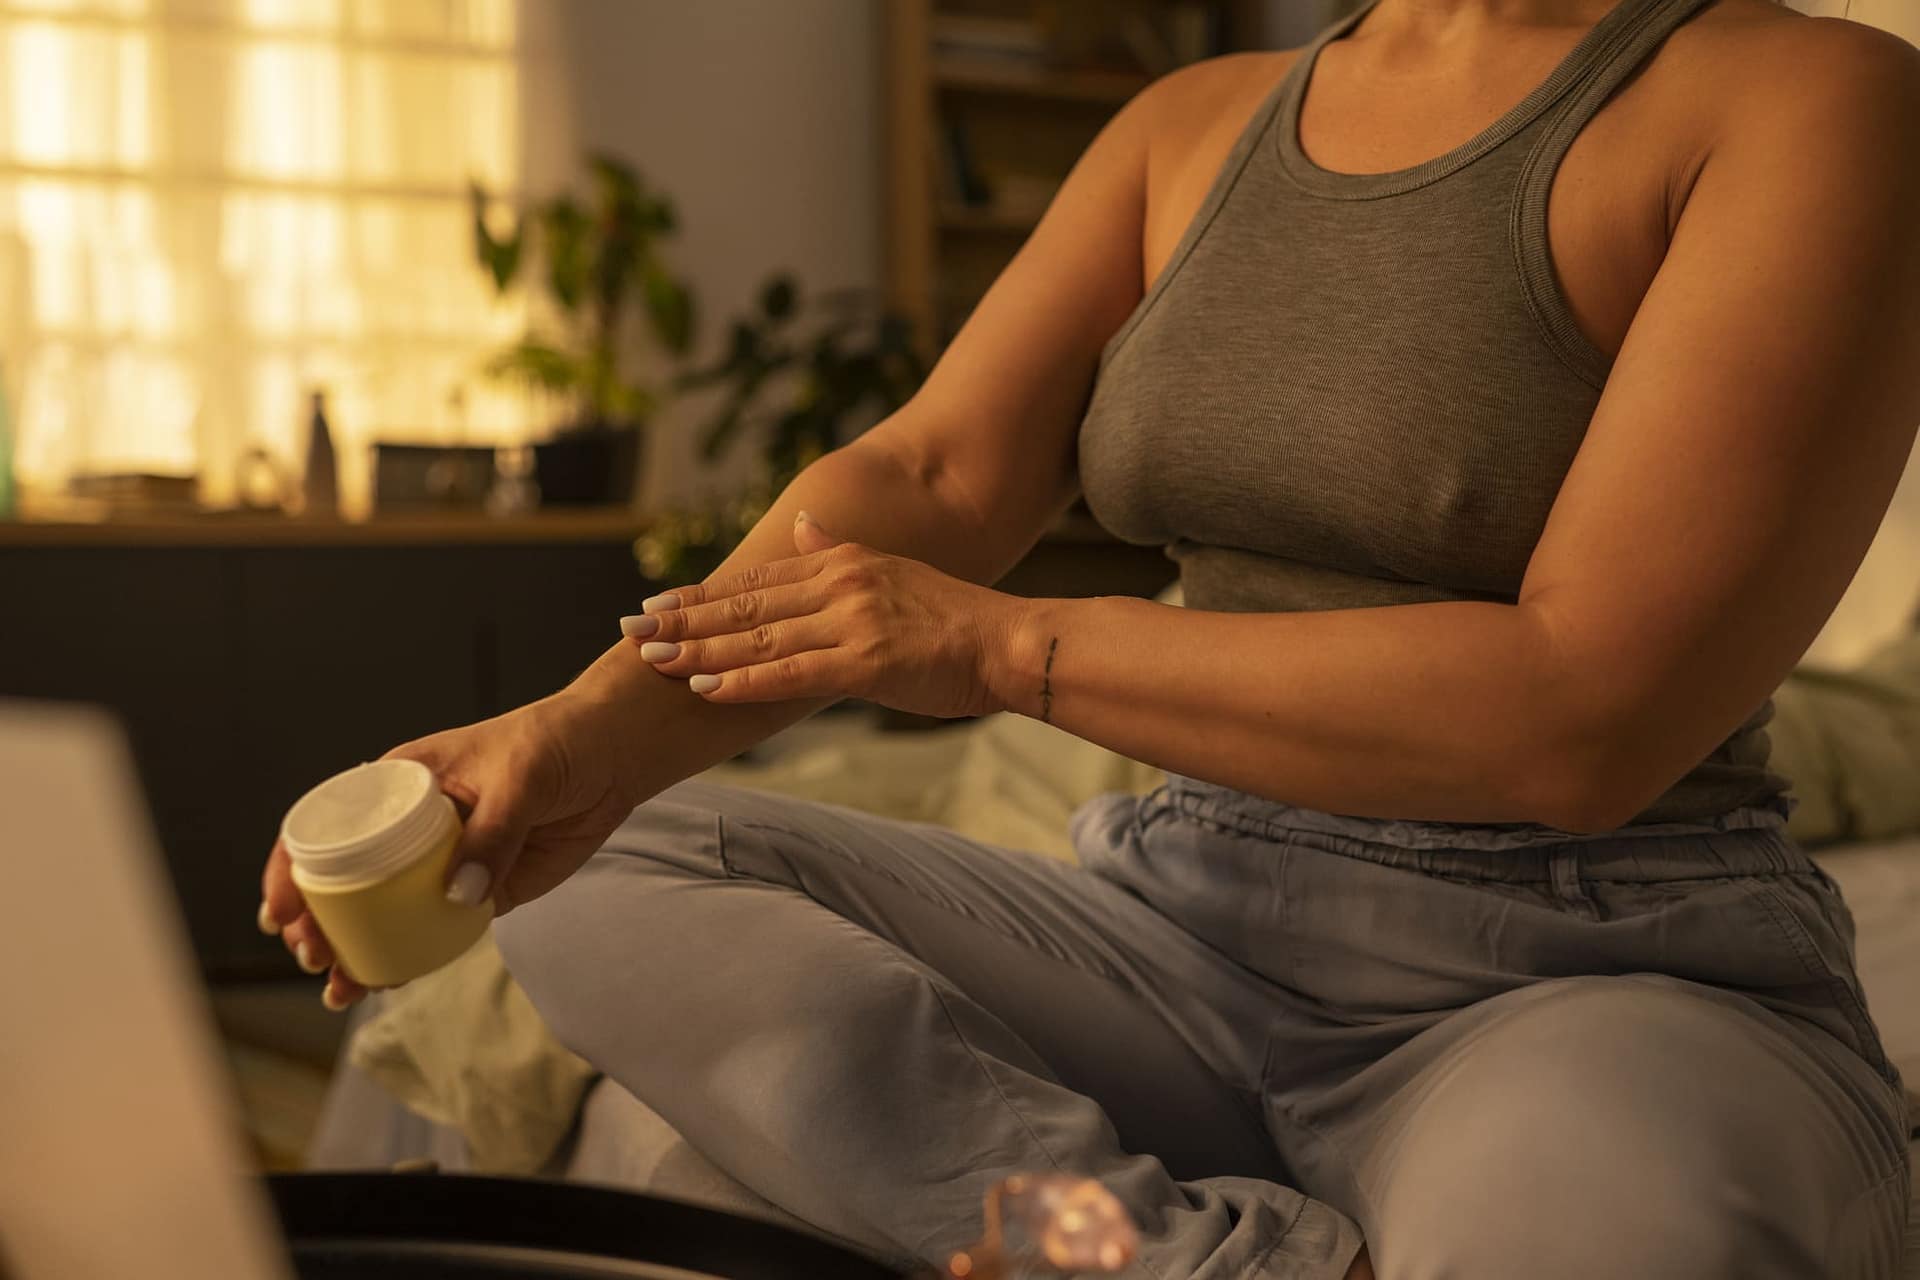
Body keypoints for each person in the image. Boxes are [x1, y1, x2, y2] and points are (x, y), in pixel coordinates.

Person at [261, 0, 1920, 1274]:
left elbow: (1583, 715)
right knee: (603, 860)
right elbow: (928, 470)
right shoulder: (1191, 127)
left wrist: (1005, 648)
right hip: (1184, 918)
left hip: (1585, 963)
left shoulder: (1803, 102)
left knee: (1612, 1217)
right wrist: (569, 738)